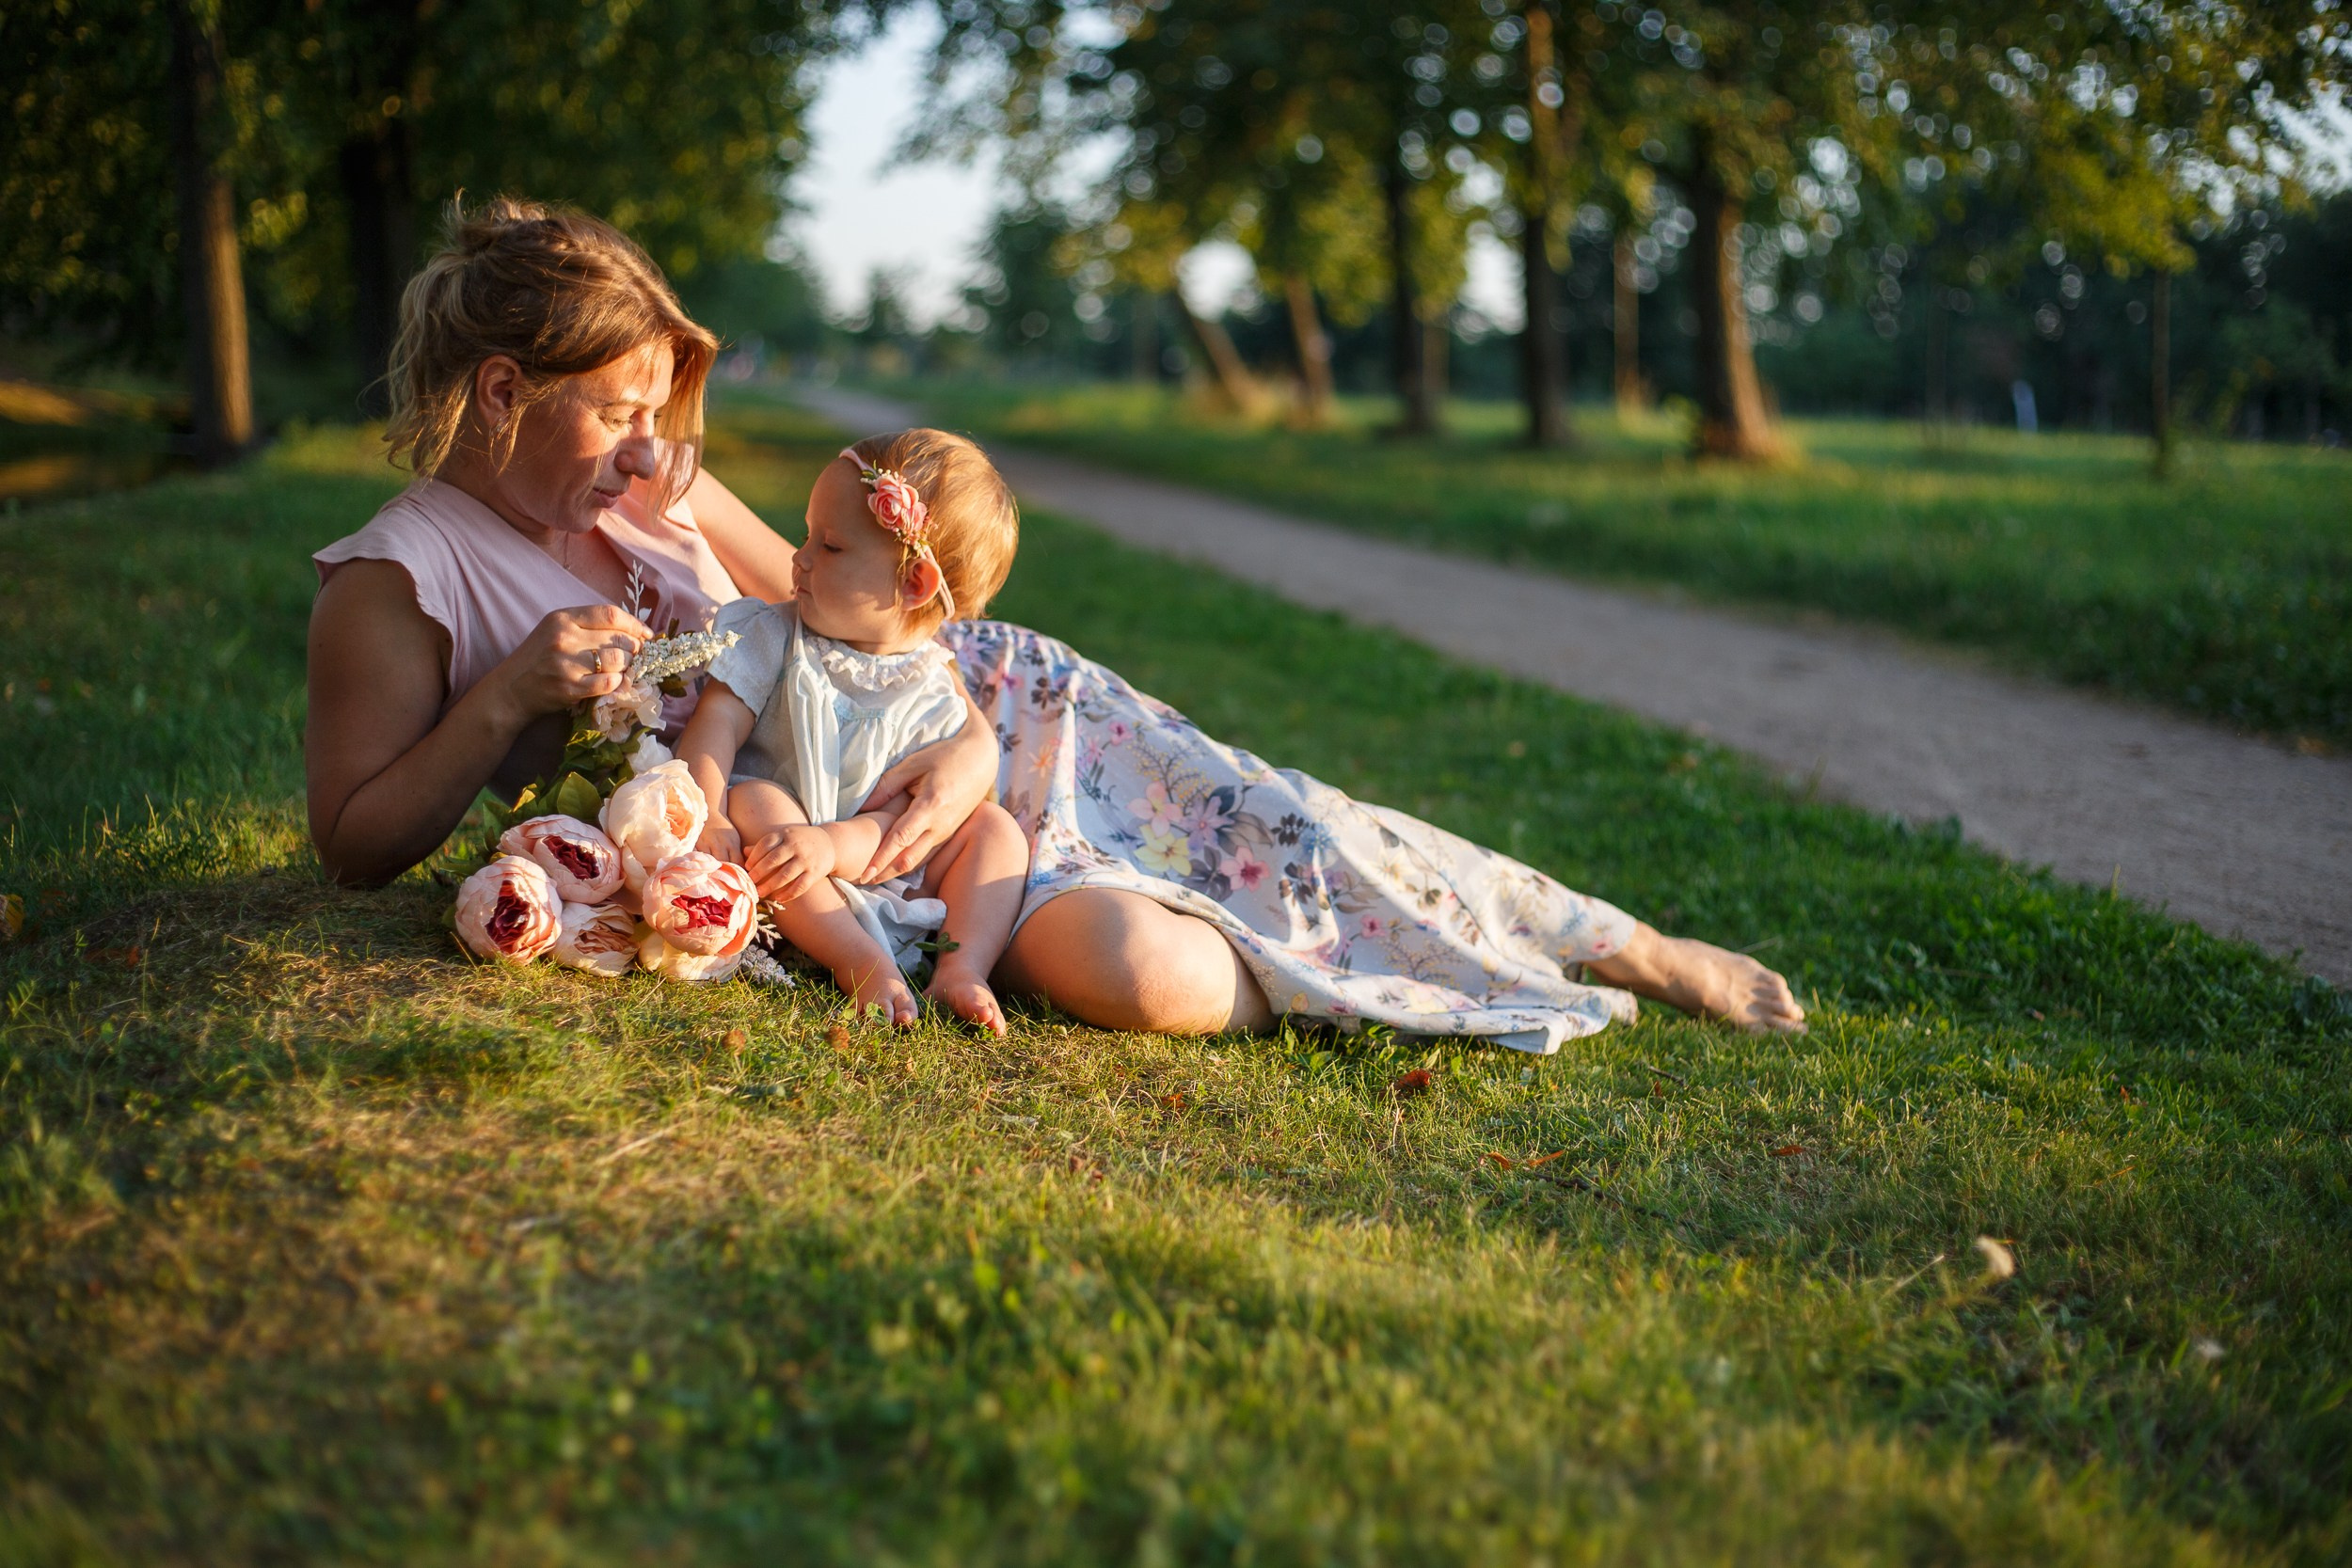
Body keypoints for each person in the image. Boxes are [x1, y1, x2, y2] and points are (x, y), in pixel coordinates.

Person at [307, 197, 1806, 1047]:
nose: (654, 450)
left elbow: (853, 599)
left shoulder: (655, 501)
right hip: (845, 849)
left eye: (658, 418)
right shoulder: (402, 576)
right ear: (505, 394)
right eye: (623, 417)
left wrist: (951, 763)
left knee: (1282, 823)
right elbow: (354, 838)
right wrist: (505, 701)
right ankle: (1373, 988)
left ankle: (1616, 937)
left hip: (969, 724)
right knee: (1127, 975)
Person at [678, 431, 1029, 1034]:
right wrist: (708, 815)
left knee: (995, 831)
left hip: (883, 859)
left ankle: (962, 967)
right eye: (809, 532)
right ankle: (858, 959)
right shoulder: (773, 635)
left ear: (913, 584)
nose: (801, 557)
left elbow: (911, 819)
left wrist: (837, 845)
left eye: (831, 546)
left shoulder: (933, 688)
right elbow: (715, 724)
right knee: (753, 799)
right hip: (786, 860)